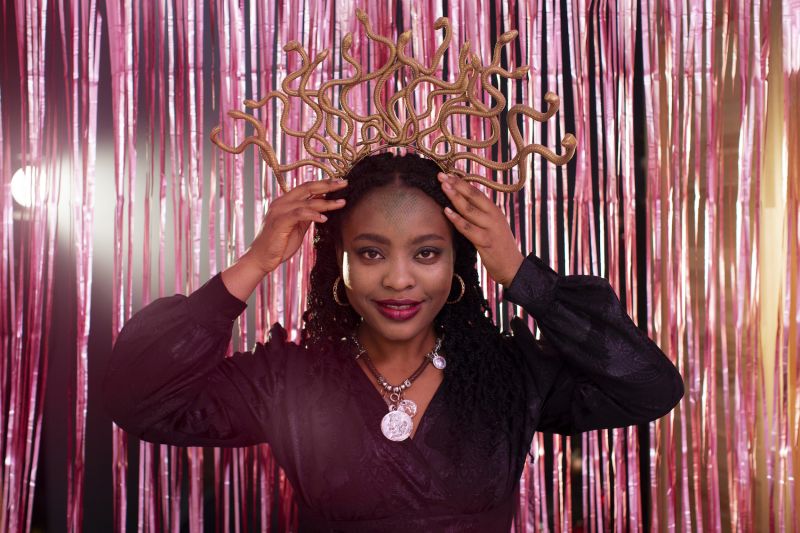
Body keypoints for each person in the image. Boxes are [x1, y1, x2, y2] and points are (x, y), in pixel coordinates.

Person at [102, 152, 684, 532]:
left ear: (458, 262)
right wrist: (257, 262)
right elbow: (138, 399)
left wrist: (520, 272)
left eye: (426, 253)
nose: (399, 280)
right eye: (372, 253)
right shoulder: (288, 382)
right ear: (339, 265)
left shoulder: (513, 376)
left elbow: (648, 385)